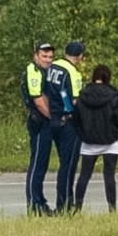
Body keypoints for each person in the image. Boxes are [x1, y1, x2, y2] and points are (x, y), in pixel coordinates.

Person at [74, 63, 118, 212]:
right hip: (110, 140)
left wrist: (83, 133)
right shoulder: (114, 95)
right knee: (109, 175)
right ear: (108, 77)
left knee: (84, 175)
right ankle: (112, 208)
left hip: (89, 141)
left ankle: (77, 208)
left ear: (93, 77)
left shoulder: (83, 95)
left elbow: (76, 119)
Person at [45, 41, 86, 212]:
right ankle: (64, 204)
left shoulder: (53, 67)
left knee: (64, 163)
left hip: (52, 119)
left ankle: (63, 202)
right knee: (68, 166)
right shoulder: (73, 73)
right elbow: (74, 101)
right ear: (80, 56)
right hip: (67, 122)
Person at [22, 42, 56, 216]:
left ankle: (40, 201)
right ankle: (34, 204)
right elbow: (38, 101)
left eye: (50, 57)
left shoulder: (46, 72)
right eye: (44, 56)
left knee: (42, 164)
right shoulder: (33, 72)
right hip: (40, 121)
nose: (48, 60)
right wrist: (54, 118)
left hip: (46, 122)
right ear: (36, 56)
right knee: (37, 164)